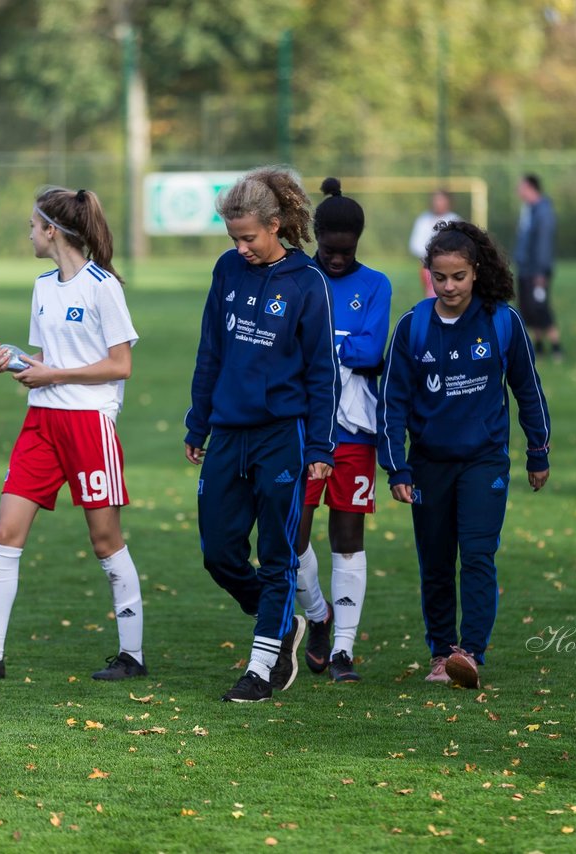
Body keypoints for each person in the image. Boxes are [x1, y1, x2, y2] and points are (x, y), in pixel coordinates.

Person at [0, 187, 147, 683]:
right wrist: (13, 358)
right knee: (6, 531)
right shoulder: (43, 286)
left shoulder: (103, 287)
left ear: (52, 231)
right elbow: (48, 360)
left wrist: (52, 376)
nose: (29, 234)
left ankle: (132, 655)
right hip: (40, 424)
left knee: (105, 541)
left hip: (89, 426)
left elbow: (121, 365)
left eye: (33, 226)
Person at [185, 167, 340, 703]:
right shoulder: (227, 270)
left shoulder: (308, 282)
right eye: (234, 238)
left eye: (249, 237)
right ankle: (287, 623)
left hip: (283, 436)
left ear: (276, 226)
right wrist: (197, 420)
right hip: (228, 432)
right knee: (218, 553)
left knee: (278, 556)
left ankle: (261, 664)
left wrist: (321, 447)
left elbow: (323, 371)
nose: (241, 247)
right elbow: (211, 351)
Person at [378, 221, 551, 689]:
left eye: (459, 276)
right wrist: (397, 466)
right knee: (435, 562)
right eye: (441, 276)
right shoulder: (413, 326)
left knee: (477, 555)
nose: (449, 286)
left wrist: (538, 451)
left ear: (476, 272)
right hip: (428, 465)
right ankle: (440, 653)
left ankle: (469, 652)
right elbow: (391, 402)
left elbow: (527, 391)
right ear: (428, 274)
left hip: (485, 461)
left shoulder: (502, 321)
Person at [294, 178, 392, 683]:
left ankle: (343, 652)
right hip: (303, 428)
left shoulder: (376, 284)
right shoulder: (298, 276)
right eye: (328, 250)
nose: (335, 259)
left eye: (345, 251)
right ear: (315, 237)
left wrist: (324, 346)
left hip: (355, 430)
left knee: (348, 536)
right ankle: (318, 617)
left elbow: (372, 351)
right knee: (293, 534)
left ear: (358, 241)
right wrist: (342, 345)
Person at [514, 174, 562, 361]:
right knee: (527, 308)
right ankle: (539, 346)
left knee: (540, 307)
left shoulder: (543, 212)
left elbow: (543, 244)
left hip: (537, 271)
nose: (518, 191)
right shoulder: (528, 210)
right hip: (525, 269)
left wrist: (541, 272)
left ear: (530, 188)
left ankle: (557, 346)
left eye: (521, 187)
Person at [409, 190, 461, 298]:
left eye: (441, 200)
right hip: (428, 264)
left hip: (451, 263)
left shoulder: (455, 219)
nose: (438, 203)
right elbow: (416, 244)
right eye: (436, 200)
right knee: (433, 296)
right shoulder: (423, 220)